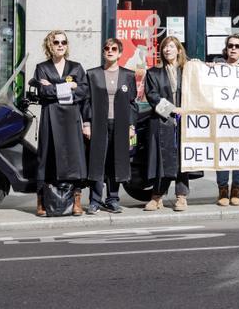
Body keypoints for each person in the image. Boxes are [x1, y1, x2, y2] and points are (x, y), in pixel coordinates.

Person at [30, 30, 89, 216]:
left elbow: (83, 93)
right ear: (50, 45)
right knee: (46, 157)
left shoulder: (76, 67)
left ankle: (76, 200)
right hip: (50, 116)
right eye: (56, 42)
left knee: (75, 157)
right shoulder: (42, 67)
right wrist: (68, 86)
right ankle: (41, 201)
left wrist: (53, 87)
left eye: (64, 42)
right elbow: (42, 93)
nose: (60, 45)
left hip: (72, 117)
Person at [82, 38, 137, 214]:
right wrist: (86, 123)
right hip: (98, 124)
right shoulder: (92, 74)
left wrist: (131, 125)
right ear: (103, 52)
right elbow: (86, 101)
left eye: (114, 49)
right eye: (107, 48)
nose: (110, 51)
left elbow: (132, 103)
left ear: (120, 53)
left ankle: (112, 199)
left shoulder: (128, 75)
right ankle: (94, 201)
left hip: (120, 124)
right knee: (97, 161)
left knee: (117, 161)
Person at [144, 36, 194, 212]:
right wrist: (173, 110)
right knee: (162, 159)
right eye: (165, 47)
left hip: (185, 122)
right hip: (163, 121)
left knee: (182, 158)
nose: (167, 50)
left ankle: (181, 196)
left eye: (171, 47)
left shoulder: (187, 70)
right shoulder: (153, 73)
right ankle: (157, 196)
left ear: (179, 50)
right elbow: (152, 96)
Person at [213, 33, 239, 207]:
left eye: (237, 46)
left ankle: (236, 189)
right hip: (222, 118)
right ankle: (222, 190)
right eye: (230, 46)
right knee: (222, 154)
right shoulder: (217, 66)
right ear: (226, 49)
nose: (233, 49)